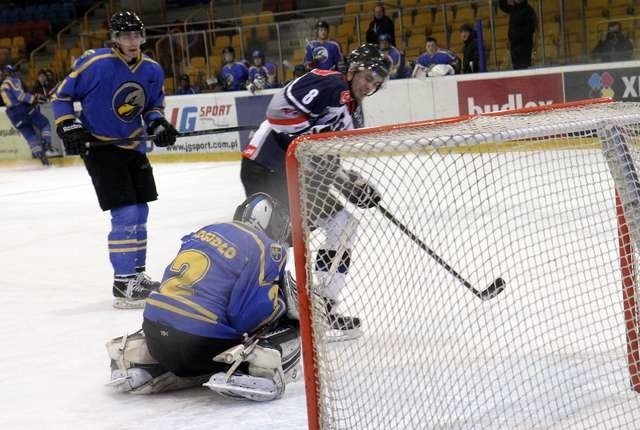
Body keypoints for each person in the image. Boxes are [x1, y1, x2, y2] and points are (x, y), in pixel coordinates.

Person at [240, 44, 391, 340]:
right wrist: (309, 142)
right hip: (268, 166)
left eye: (376, 82)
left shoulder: (353, 114)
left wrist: (350, 183)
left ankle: (322, 305)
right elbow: (278, 113)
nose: (369, 86)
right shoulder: (328, 83)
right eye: (367, 77)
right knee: (276, 241)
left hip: (298, 176)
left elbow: (328, 157)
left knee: (343, 225)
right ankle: (264, 315)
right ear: (353, 69)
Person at [106, 193, 301, 401]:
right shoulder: (267, 246)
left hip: (155, 334)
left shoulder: (206, 231)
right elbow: (247, 315)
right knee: (289, 320)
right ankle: (259, 372)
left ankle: (149, 366)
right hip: (203, 345)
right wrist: (281, 305)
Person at [51, 10, 179, 309]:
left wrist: (158, 124)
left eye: (136, 34)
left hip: (133, 146)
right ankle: (123, 282)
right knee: (125, 213)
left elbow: (152, 107)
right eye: (125, 35)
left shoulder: (152, 70)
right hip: (101, 147)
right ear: (115, 38)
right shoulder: (95, 63)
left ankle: (136, 274)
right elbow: (60, 97)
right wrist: (68, 124)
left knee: (141, 210)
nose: (132, 41)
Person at [0, 64, 51, 165]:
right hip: (22, 109)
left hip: (12, 115)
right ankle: (46, 143)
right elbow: (19, 96)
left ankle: (40, 155)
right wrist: (34, 98)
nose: (16, 73)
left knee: (30, 136)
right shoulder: (12, 80)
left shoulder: (2, 86)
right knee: (45, 124)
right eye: (14, 71)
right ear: (9, 73)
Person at [499, 0, 537, 70]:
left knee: (524, 70)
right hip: (514, 47)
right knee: (516, 68)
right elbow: (502, 5)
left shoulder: (529, 10)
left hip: (524, 47)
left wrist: (517, 36)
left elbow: (531, 28)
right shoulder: (513, 9)